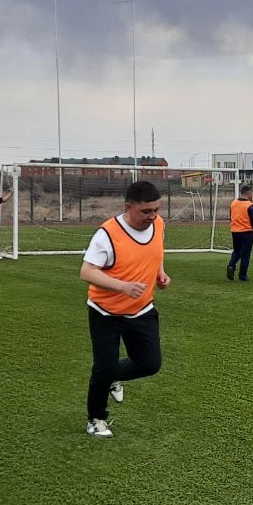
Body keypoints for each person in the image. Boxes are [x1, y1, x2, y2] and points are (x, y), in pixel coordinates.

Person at [79, 181, 169, 438]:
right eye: (146, 212)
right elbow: (86, 272)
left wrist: (160, 273)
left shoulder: (158, 224)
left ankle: (112, 375)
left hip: (141, 310)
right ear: (128, 208)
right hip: (105, 312)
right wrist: (122, 286)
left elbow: (156, 252)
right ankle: (96, 419)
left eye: (156, 210)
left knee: (150, 364)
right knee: (103, 367)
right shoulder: (107, 234)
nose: (152, 216)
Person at [226, 185, 253, 282]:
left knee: (236, 251)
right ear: (249, 193)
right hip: (246, 232)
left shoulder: (233, 203)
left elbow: (231, 216)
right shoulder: (250, 205)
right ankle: (242, 275)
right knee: (245, 255)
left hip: (235, 231)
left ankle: (231, 265)